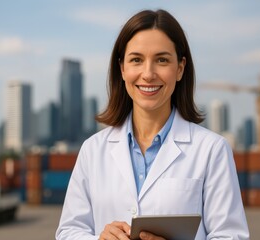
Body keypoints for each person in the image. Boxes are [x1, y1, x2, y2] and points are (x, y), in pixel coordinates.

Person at [55, 9, 249, 240]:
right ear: (122, 68)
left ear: (180, 68)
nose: (148, 74)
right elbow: (68, 232)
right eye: (136, 60)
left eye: (162, 60)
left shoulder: (212, 149)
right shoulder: (92, 150)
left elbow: (231, 236)